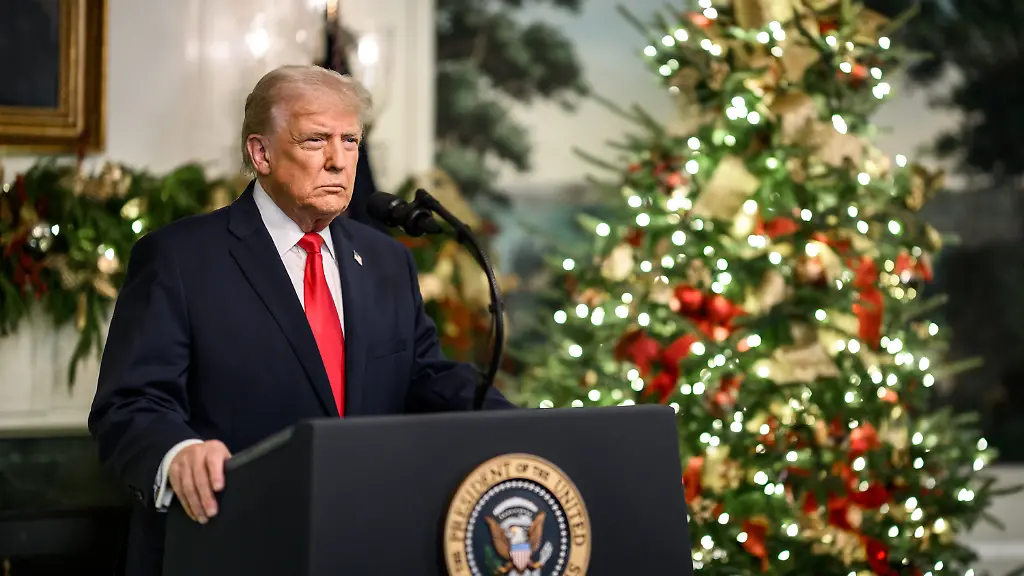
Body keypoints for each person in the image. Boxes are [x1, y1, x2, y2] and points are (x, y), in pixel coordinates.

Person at [88, 64, 515, 576]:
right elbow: (128, 404)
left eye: (351, 141)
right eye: (316, 140)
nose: (338, 161)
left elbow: (423, 375)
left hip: (362, 542)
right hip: (228, 544)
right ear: (260, 153)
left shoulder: (385, 259)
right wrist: (177, 455)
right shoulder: (180, 258)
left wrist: (521, 426)